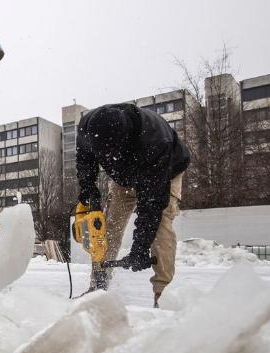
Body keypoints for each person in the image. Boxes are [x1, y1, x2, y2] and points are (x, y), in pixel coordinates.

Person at [75, 103, 190, 307]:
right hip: (123, 177)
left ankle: (163, 296)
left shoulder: (154, 140)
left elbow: (151, 204)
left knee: (160, 226)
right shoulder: (86, 128)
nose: (106, 157)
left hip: (165, 171)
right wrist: (88, 187)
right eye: (102, 154)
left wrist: (140, 247)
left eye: (110, 152)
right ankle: (98, 287)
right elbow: (85, 159)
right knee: (107, 227)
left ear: (124, 139)